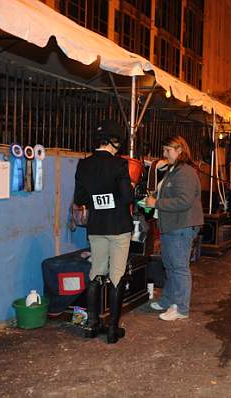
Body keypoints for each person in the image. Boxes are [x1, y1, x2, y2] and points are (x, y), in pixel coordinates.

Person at [73, 120, 134, 344]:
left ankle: (91, 325)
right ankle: (112, 329)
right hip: (118, 227)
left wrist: (98, 200)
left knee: (95, 272)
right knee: (116, 274)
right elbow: (127, 197)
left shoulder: (84, 165)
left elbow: (79, 199)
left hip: (96, 226)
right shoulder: (119, 165)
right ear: (114, 141)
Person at [145, 136, 203, 321]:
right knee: (170, 266)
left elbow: (184, 201)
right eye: (164, 150)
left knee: (179, 268)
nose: (164, 154)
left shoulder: (185, 172)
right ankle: (168, 300)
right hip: (172, 225)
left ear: (179, 150)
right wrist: (154, 198)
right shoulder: (174, 170)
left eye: (167, 150)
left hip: (181, 225)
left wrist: (156, 203)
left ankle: (181, 308)